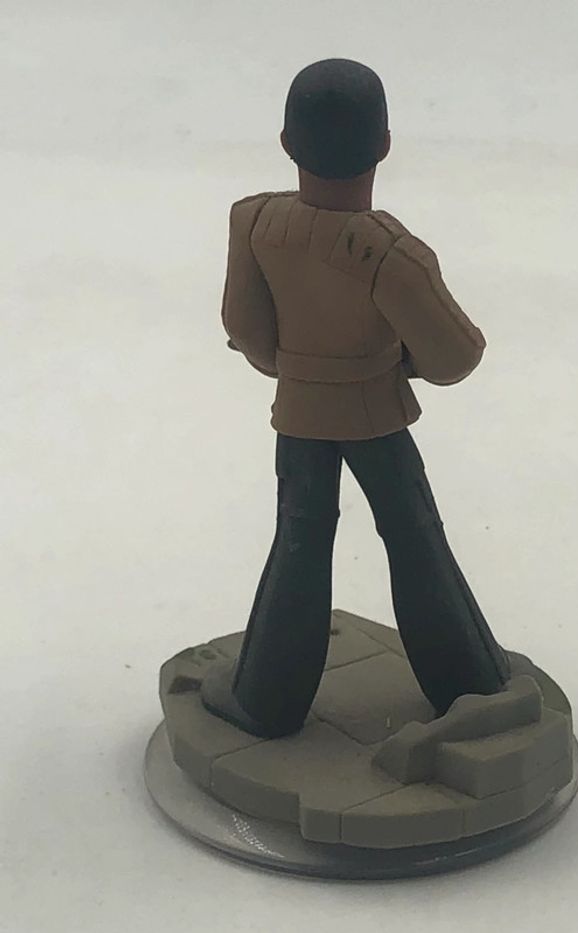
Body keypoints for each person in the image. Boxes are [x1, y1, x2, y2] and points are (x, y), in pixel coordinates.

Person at [201, 58, 510, 738]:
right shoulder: (390, 253)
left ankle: (265, 697)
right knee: (415, 536)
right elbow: (456, 357)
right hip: (377, 414)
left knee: (299, 541)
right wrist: (395, 361)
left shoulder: (253, 222)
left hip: (299, 413)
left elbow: (244, 328)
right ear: (385, 145)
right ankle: (468, 680)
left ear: (287, 143)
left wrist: (295, 367)